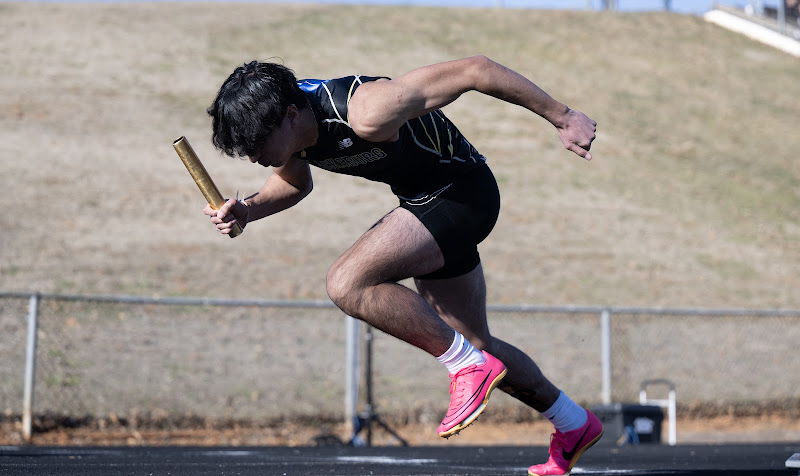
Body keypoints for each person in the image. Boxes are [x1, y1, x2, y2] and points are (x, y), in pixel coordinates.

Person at [204, 55, 602, 476]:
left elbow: (476, 70)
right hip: (427, 204)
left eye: (256, 145)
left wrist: (563, 116)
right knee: (477, 343)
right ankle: (572, 422)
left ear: (288, 115)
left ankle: (465, 367)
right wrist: (247, 209)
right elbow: (293, 183)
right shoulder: (292, 124)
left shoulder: (367, 110)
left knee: (347, 282)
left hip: (462, 195)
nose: (252, 158)